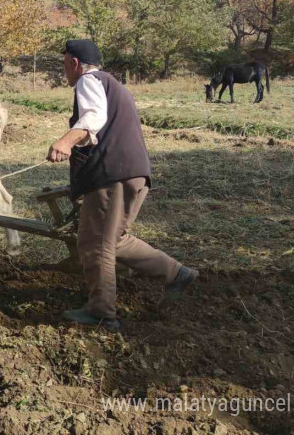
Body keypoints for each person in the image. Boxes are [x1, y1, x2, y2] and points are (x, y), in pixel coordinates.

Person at [46, 39, 197, 330]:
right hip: (134, 173)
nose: (64, 70)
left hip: (111, 174)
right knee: (114, 239)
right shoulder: (113, 85)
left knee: (94, 241)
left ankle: (101, 313)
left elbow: (94, 117)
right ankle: (177, 274)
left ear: (75, 63)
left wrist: (64, 142)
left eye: (65, 64)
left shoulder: (89, 81)